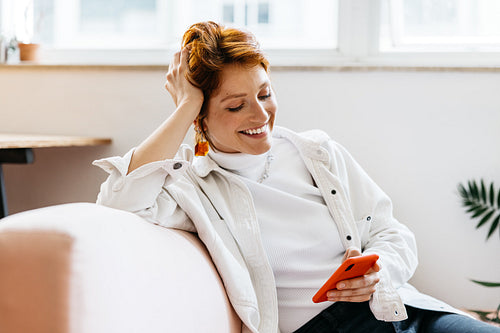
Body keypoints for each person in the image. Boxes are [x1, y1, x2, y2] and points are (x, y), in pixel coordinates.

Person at [94, 21, 500, 333]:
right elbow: (117, 205)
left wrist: (381, 272)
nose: (259, 116)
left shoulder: (317, 153)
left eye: (265, 93)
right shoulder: (192, 188)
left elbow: (392, 232)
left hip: (397, 309)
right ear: (200, 115)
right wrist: (184, 107)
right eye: (236, 106)